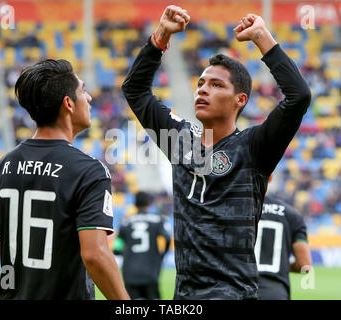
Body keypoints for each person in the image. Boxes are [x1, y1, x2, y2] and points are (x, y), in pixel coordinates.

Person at [122, 5, 311, 299]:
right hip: (185, 297)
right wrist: (160, 37)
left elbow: (299, 96)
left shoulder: (255, 147)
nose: (202, 90)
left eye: (215, 84)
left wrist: (262, 38)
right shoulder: (180, 141)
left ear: (240, 99)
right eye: (200, 84)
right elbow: (135, 90)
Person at [0, 59, 130, 300]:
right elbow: (95, 254)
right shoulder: (89, 172)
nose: (90, 98)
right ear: (68, 104)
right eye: (83, 91)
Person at [114, 191, 171, 299]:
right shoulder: (158, 220)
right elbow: (167, 238)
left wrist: (125, 254)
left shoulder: (125, 222)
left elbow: (116, 248)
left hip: (130, 272)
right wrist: (161, 255)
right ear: (149, 203)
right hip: (151, 271)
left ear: (135, 204)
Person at [255, 191, 312, 300]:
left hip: (238, 291)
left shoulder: (231, 211)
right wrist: (283, 264)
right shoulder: (292, 214)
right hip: (275, 293)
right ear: (270, 177)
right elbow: (305, 266)